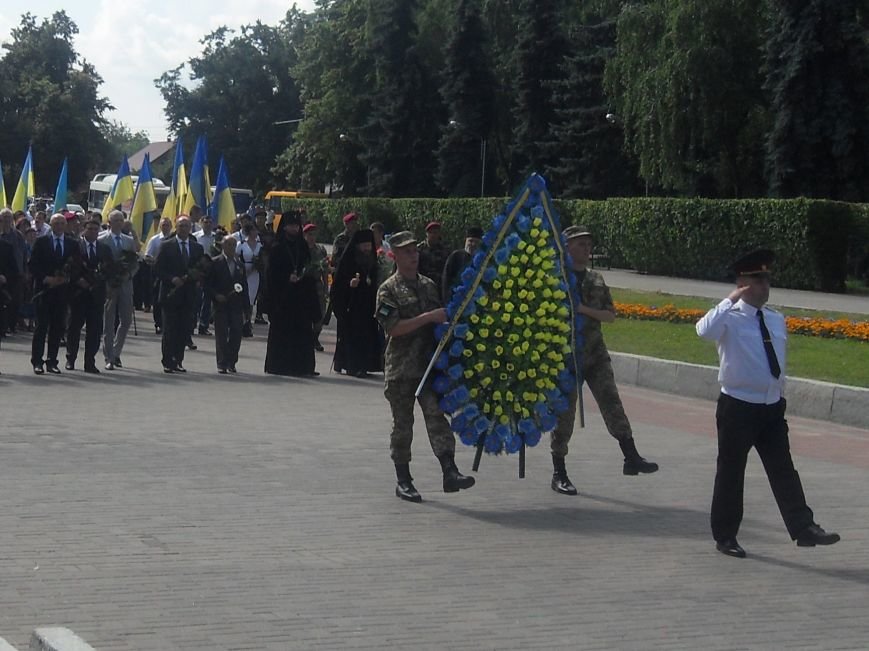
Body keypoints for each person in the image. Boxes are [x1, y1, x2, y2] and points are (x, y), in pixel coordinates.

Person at [696, 249, 840, 558]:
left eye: (766, 279)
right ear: (743, 283)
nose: (765, 285)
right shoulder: (728, 319)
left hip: (772, 407)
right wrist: (731, 298)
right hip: (738, 406)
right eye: (757, 280)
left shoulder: (775, 318)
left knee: (784, 469)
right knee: (731, 471)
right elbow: (703, 331)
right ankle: (725, 536)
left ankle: (804, 528)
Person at [550, 225, 658, 495]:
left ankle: (631, 456)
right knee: (564, 416)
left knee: (612, 403)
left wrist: (583, 309)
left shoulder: (596, 279)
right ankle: (559, 472)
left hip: (595, 354)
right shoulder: (556, 279)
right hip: (565, 358)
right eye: (581, 245)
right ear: (567, 248)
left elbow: (610, 315)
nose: (587, 250)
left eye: (589, 245)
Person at [375, 230, 475, 502]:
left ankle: (449, 470)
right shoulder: (387, 290)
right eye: (407, 252)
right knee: (403, 425)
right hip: (401, 370)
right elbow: (393, 328)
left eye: (415, 251)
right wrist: (428, 317)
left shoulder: (429, 285)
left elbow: (440, 320)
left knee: (436, 417)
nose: (413, 256)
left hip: (428, 368)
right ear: (395, 255)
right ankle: (404, 480)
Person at [264, 210, 320, 377]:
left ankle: (303, 366)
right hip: (282, 298)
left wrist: (304, 277)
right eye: (291, 225)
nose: (294, 229)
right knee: (282, 332)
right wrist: (286, 278)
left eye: (296, 226)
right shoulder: (277, 247)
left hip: (300, 297)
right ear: (284, 227)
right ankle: (279, 365)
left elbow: (309, 267)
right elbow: (271, 274)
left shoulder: (302, 246)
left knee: (303, 332)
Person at [29, 213, 81, 374]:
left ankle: (52, 361)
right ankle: (37, 361)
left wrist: (67, 278)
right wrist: (46, 279)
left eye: (61, 223)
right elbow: (33, 265)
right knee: (41, 327)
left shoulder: (72, 244)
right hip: (44, 291)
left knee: (57, 328)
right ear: (51, 225)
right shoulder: (42, 241)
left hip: (62, 293)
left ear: (65, 226)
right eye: (56, 223)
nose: (59, 226)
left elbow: (77, 266)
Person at [330, 229, 383, 378]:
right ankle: (351, 365)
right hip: (351, 307)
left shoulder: (372, 261)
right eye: (364, 246)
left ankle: (365, 365)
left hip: (367, 306)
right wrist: (349, 284)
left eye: (369, 245)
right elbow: (337, 286)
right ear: (357, 246)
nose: (367, 249)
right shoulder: (348, 261)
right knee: (352, 337)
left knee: (367, 336)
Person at [156, 216, 205, 373]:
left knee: (183, 329)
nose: (184, 229)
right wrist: (172, 278)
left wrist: (195, 277)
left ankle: (178, 360)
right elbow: (157, 269)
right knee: (170, 329)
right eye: (181, 226)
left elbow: (201, 269)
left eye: (187, 226)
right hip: (170, 295)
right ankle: (167, 360)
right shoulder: (166, 246)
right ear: (176, 228)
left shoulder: (197, 248)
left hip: (188, 294)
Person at [65, 219, 112, 373]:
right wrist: (78, 280)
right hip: (78, 293)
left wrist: (99, 282)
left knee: (95, 330)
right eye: (89, 229)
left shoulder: (104, 248)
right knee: (74, 328)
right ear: (84, 230)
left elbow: (108, 270)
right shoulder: (75, 246)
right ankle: (70, 358)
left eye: (95, 229)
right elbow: (69, 266)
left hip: (96, 295)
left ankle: (89, 362)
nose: (92, 232)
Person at [98, 210, 139, 370]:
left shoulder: (129, 241)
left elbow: (135, 263)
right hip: (109, 285)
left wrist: (128, 274)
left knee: (126, 320)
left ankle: (116, 352)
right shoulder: (102, 240)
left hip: (125, 284)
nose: (118, 223)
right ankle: (109, 356)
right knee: (108, 321)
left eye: (121, 220)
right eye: (115, 220)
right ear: (109, 222)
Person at [206, 235, 248, 374]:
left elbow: (244, 287)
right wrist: (216, 295)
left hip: (236, 305)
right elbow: (208, 284)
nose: (231, 248)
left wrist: (246, 308)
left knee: (236, 332)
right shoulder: (215, 262)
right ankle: (222, 362)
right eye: (228, 245)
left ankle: (232, 361)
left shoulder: (239, 265)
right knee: (222, 334)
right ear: (223, 246)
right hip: (221, 304)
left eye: (233, 245)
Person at [302, 223, 329, 351]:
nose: (312, 237)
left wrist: (326, 287)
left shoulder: (320, 250)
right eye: (309, 235)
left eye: (314, 234)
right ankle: (307, 339)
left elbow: (325, 269)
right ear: (305, 235)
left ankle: (315, 337)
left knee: (320, 315)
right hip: (304, 284)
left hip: (317, 284)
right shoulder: (301, 249)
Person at [441, 225, 483, 304]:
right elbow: (446, 280)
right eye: (470, 241)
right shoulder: (455, 256)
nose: (473, 244)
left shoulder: (483, 259)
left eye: (476, 242)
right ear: (466, 241)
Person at [145, 217, 173, 335]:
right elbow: (147, 256)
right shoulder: (155, 240)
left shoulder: (174, 240)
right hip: (157, 273)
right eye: (163, 225)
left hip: (172, 273)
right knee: (157, 299)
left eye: (167, 225)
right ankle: (158, 324)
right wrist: (156, 262)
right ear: (160, 227)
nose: (165, 227)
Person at [238, 222, 263, 337]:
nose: (255, 232)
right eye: (253, 230)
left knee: (251, 298)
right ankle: (241, 321)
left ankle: (248, 322)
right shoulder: (242, 244)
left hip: (255, 274)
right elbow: (236, 257)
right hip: (244, 271)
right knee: (243, 297)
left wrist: (256, 266)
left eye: (256, 230)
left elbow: (262, 260)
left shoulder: (260, 246)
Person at [193, 215, 217, 335]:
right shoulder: (196, 237)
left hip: (212, 271)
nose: (207, 224)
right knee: (196, 298)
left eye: (210, 222)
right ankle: (192, 324)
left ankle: (203, 325)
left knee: (207, 299)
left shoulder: (216, 237)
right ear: (201, 223)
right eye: (205, 222)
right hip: (199, 271)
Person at [417, 221, 450, 295]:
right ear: (427, 234)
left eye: (436, 232)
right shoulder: (419, 249)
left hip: (440, 286)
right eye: (431, 232)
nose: (433, 235)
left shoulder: (444, 249)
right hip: (423, 285)